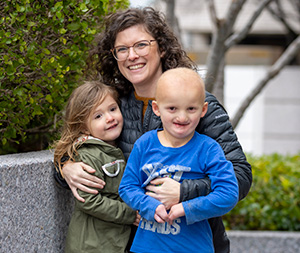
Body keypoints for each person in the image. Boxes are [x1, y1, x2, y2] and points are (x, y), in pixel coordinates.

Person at [54, 7, 252, 252]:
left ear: (162, 48)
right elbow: (78, 145)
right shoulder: (113, 106)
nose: (131, 55)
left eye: (141, 45)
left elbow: (240, 176)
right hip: (135, 242)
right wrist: (66, 166)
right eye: (122, 49)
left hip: (194, 242)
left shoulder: (198, 105)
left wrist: (183, 191)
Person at [119, 67, 239, 253]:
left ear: (203, 109)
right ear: (157, 108)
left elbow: (229, 194)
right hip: (146, 247)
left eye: (191, 108)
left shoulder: (208, 149)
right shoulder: (144, 144)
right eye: (172, 108)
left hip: (194, 247)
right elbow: (127, 187)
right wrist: (149, 205)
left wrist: (185, 207)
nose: (182, 117)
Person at [53, 81, 140, 253]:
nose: (109, 118)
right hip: (92, 246)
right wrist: (130, 214)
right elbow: (89, 201)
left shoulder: (113, 148)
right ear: (83, 127)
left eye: (113, 109)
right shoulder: (87, 155)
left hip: (112, 241)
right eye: (98, 116)